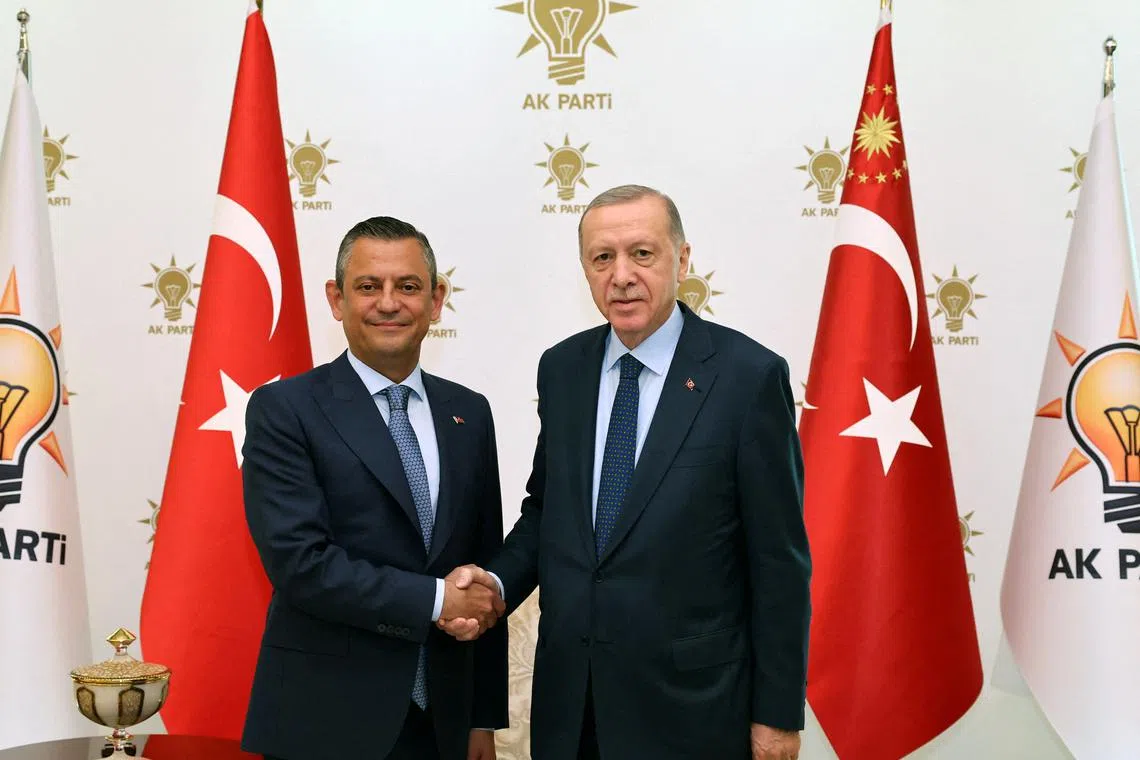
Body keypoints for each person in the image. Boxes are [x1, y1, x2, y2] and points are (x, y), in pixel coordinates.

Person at [442, 185, 811, 760]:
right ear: (585, 270)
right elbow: (547, 512)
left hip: (693, 711)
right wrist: (496, 584)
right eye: (602, 258)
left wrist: (777, 715)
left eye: (642, 253)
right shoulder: (562, 369)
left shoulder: (748, 377)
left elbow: (778, 562)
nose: (621, 276)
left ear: (682, 259)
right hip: (572, 708)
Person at [240, 217, 508, 760]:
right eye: (369, 286)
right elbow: (300, 563)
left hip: (444, 723)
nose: (389, 303)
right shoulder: (285, 410)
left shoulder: (469, 413)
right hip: (325, 724)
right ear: (336, 300)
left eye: (408, 286)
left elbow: (483, 568)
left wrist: (482, 717)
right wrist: (437, 599)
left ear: (436, 301)